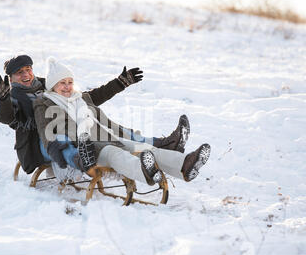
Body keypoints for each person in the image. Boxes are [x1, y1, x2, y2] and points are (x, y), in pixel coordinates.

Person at [0, 54, 190, 175]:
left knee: (111, 129)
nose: (26, 74)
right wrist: (2, 99)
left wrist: (119, 83)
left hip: (73, 131)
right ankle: (81, 159)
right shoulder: (13, 95)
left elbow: (87, 97)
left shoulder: (49, 83)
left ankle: (163, 144)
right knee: (62, 139)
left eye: (28, 69)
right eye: (20, 73)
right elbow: (6, 117)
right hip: (41, 144)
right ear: (11, 78)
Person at [33, 57, 211, 185]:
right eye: (61, 83)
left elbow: (100, 93)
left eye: (69, 82)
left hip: (105, 138)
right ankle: (145, 173)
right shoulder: (45, 103)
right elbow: (44, 130)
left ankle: (185, 165)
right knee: (114, 153)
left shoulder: (79, 98)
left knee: (141, 148)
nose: (67, 87)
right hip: (84, 149)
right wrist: (52, 146)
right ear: (52, 86)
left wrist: (120, 82)